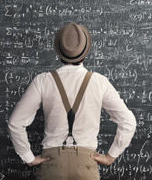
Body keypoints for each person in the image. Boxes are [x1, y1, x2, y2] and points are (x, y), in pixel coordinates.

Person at [7, 22, 137, 180]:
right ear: (85, 52)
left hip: (52, 163)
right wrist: (111, 156)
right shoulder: (99, 82)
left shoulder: (43, 81)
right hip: (86, 162)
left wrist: (28, 157)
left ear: (59, 51)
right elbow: (128, 121)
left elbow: (15, 123)